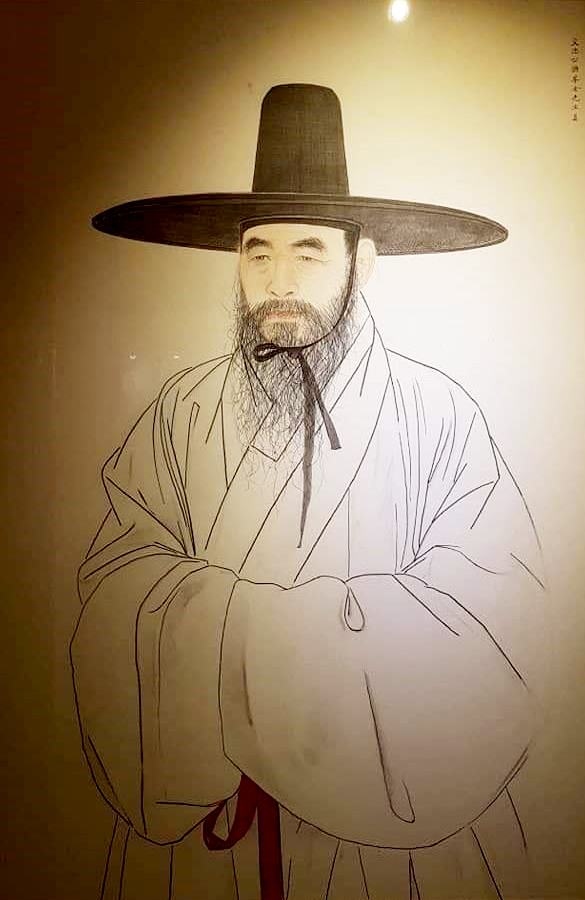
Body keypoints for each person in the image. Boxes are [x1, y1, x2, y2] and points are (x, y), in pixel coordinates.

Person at [71, 84, 546, 900]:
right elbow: (116, 588)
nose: (279, 279)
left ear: (362, 263)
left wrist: (220, 639)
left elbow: (486, 622)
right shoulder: (182, 412)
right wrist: (307, 644)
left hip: (388, 851)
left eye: (308, 252)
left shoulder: (435, 414)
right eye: (257, 253)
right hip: (214, 827)